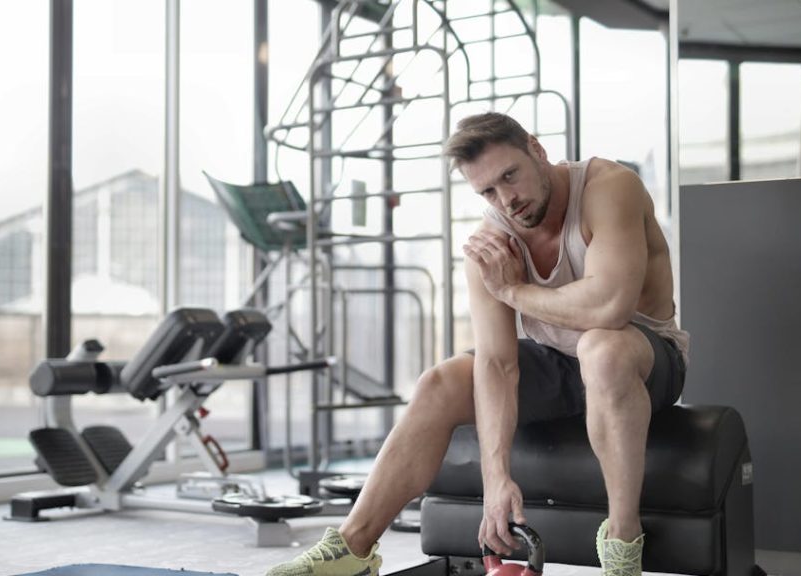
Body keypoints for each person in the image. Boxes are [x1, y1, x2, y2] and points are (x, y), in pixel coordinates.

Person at [264, 112, 688, 576]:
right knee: (440, 381)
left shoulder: (608, 187)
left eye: (511, 176)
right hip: (559, 364)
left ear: (537, 150)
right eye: (488, 191)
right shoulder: (491, 243)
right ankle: (352, 549)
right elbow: (496, 363)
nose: (507, 200)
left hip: (643, 358)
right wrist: (496, 477)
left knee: (601, 349)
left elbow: (610, 306)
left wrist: (514, 292)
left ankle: (622, 547)